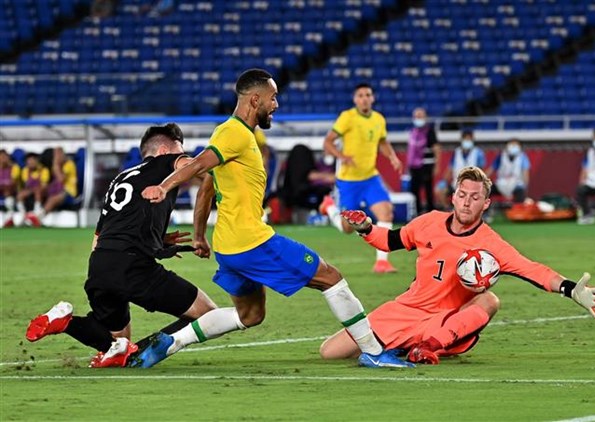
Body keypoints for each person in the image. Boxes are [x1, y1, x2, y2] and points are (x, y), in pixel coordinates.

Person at [135, 69, 413, 369]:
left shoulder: (232, 134)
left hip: (229, 246)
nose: (276, 105)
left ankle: (172, 341)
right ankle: (373, 351)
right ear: (255, 100)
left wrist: (201, 235)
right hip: (252, 242)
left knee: (250, 315)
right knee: (330, 278)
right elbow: (199, 164)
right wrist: (164, 186)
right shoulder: (234, 133)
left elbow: (207, 188)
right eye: (273, 98)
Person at [319, 166, 595, 365]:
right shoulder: (429, 222)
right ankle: (404, 345)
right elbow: (390, 240)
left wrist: (571, 289)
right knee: (330, 352)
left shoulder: (491, 243)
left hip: (444, 320)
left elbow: (532, 270)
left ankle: (428, 348)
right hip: (406, 310)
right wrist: (367, 228)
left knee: (489, 300)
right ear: (453, 197)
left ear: (485, 204)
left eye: (475, 197)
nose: (467, 202)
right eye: (462, 195)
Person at [25, 123, 220, 368]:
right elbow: (202, 169)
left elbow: (102, 234)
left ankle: (65, 322)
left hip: (100, 264)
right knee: (209, 314)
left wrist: (157, 241)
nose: (184, 157)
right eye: (180, 151)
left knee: (118, 343)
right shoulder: (167, 162)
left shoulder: (120, 179)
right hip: (133, 265)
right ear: (163, 151)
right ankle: (146, 350)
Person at [319, 82, 403, 273]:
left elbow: (383, 141)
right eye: (361, 95)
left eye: (367, 95)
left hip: (370, 177)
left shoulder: (379, 119)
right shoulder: (347, 117)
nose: (364, 99)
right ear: (355, 99)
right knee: (348, 228)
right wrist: (342, 157)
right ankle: (329, 207)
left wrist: (392, 157)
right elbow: (328, 142)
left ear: (372, 98)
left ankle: (382, 263)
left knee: (386, 212)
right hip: (348, 181)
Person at [28, 147, 79, 226]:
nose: (56, 158)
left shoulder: (69, 164)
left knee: (53, 199)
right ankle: (36, 211)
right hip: (57, 190)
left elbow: (61, 179)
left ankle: (39, 217)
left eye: (57, 155)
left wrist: (56, 164)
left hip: (68, 193)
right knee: (39, 190)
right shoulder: (54, 167)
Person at [435, 130, 486, 210]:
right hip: (456, 183)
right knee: (439, 190)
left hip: (472, 184)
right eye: (466, 139)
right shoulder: (456, 152)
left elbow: (481, 171)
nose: (467, 141)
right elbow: (450, 168)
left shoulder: (478, 153)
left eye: (469, 139)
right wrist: (444, 181)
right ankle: (449, 210)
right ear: (462, 140)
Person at [406, 107, 441, 214]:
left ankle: (431, 212)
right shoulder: (413, 131)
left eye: (420, 116)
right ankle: (416, 212)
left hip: (426, 165)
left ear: (425, 117)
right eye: (416, 116)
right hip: (414, 167)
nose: (418, 118)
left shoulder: (430, 131)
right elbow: (411, 151)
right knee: (414, 190)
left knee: (428, 190)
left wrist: (437, 165)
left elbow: (436, 148)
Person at [486, 138, 530, 203]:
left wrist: (525, 188)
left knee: (520, 193)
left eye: (515, 145)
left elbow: (525, 174)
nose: (513, 147)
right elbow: (491, 170)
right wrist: (482, 180)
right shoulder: (501, 156)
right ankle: (486, 209)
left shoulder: (523, 157)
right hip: (501, 184)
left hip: (516, 184)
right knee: (487, 191)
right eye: (511, 145)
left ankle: (517, 209)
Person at [15, 152, 50, 227]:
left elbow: (44, 185)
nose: (31, 163)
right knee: (20, 195)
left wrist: (35, 188)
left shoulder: (44, 170)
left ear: (37, 161)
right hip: (30, 190)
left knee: (38, 191)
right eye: (29, 161)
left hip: (42, 192)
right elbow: (27, 185)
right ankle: (23, 216)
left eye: (33, 160)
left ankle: (36, 215)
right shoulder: (25, 170)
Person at [0, 149, 22, 228]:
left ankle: (10, 215)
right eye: (1, 157)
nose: (3, 158)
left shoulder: (15, 167)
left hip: (13, 191)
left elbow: (13, 183)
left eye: (5, 156)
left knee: (8, 191)